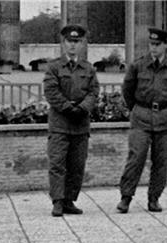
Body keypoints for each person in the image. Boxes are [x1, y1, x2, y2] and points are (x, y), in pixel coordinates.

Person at [115, 26, 167, 214]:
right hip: (141, 117)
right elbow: (127, 91)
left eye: (157, 44)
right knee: (136, 157)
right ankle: (126, 197)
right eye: (151, 44)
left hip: (165, 118)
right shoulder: (138, 65)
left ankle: (154, 198)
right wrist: (137, 109)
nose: (153, 48)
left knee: (161, 160)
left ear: (165, 46)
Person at [43, 24, 100, 217]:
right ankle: (57, 201)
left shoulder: (89, 68)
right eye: (69, 41)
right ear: (63, 42)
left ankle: (69, 200)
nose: (73, 46)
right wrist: (69, 108)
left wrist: (82, 108)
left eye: (77, 41)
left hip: (80, 125)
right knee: (57, 164)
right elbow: (51, 92)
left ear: (82, 44)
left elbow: (94, 92)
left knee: (76, 166)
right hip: (60, 124)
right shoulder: (54, 67)